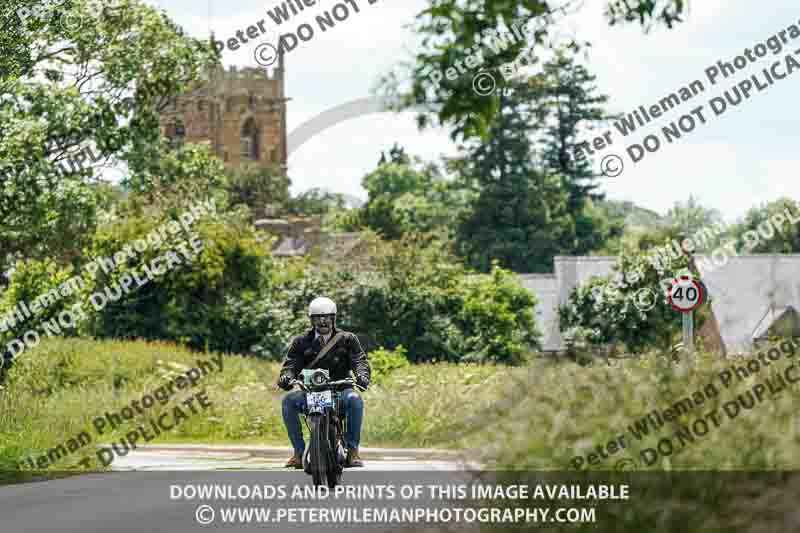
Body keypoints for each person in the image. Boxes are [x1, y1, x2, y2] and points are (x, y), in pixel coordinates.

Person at [277, 296, 371, 469]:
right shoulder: (301, 341)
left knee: (355, 400)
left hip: (340, 391)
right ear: (311, 320)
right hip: (311, 392)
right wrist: (286, 376)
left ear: (334, 318)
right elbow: (291, 364)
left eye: (327, 317)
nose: (323, 321)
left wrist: (362, 375)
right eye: (318, 318)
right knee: (288, 401)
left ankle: (352, 452)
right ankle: (298, 452)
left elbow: (359, 361)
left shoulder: (348, 339)